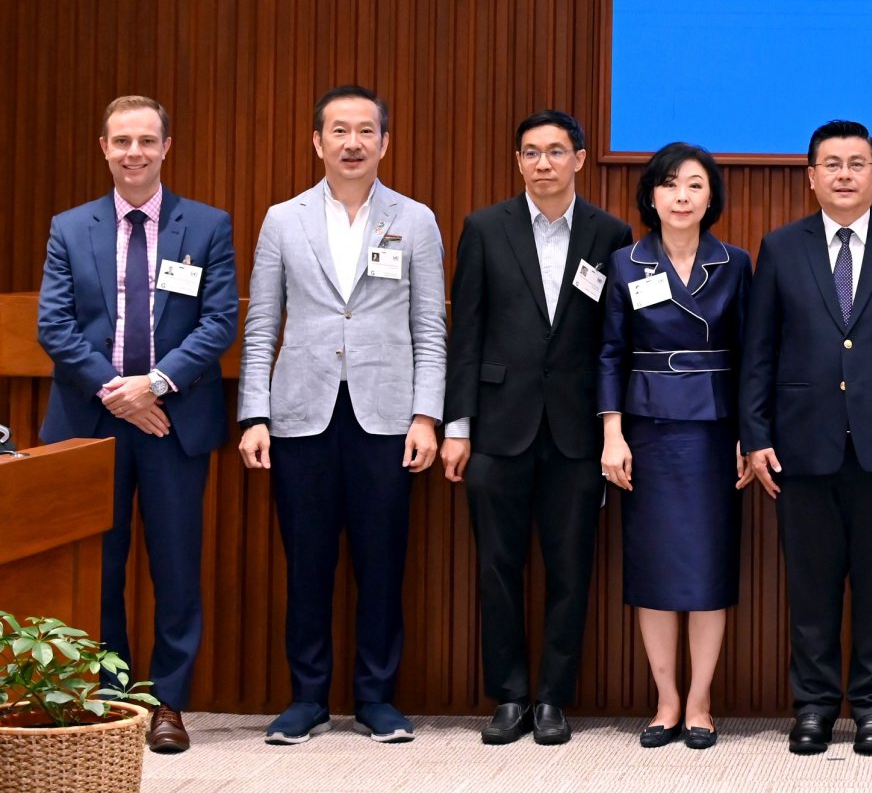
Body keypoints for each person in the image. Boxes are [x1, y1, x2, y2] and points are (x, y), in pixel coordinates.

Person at [236, 85, 447, 745]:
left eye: (365, 131)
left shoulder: (416, 219)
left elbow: (430, 327)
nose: (352, 143)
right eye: (339, 131)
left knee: (382, 562)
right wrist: (254, 415)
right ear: (317, 141)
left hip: (387, 416)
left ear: (384, 142)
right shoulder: (283, 219)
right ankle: (307, 698)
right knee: (307, 561)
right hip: (302, 415)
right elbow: (262, 322)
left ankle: (376, 698)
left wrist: (426, 415)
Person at [739, 119, 872, 758]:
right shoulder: (781, 247)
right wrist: (755, 434)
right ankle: (813, 706)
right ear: (810, 176)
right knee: (810, 587)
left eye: (856, 164)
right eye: (831, 164)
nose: (843, 174)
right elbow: (759, 352)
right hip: (800, 446)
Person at [36, 96, 238, 755]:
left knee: (176, 568)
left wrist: (154, 384)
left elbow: (219, 322)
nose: (134, 152)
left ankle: (167, 704)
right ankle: (114, 700)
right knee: (100, 569)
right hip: (89, 423)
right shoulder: (71, 228)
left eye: (147, 140)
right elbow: (54, 325)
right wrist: (118, 391)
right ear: (104, 147)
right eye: (122, 141)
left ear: (166, 147)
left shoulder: (205, 226)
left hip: (172, 422)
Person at [442, 110, 632, 746]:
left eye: (555, 151)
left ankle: (552, 697)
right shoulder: (484, 227)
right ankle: (509, 695)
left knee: (570, 569)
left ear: (579, 159)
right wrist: (458, 426)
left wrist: (612, 427)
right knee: (497, 567)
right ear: (518, 161)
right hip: (498, 426)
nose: (542, 162)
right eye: (530, 152)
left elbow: (614, 339)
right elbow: (466, 332)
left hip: (577, 430)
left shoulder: (611, 233)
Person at [599, 142, 749, 750]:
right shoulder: (625, 263)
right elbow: (609, 354)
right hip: (648, 431)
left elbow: (751, 357)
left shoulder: (734, 263)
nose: (681, 196)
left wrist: (749, 435)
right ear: (651, 196)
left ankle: (700, 701)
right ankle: (665, 700)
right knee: (655, 568)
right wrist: (612, 433)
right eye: (669, 184)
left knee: (707, 567)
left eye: (694, 185)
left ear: (710, 197)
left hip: (714, 431)